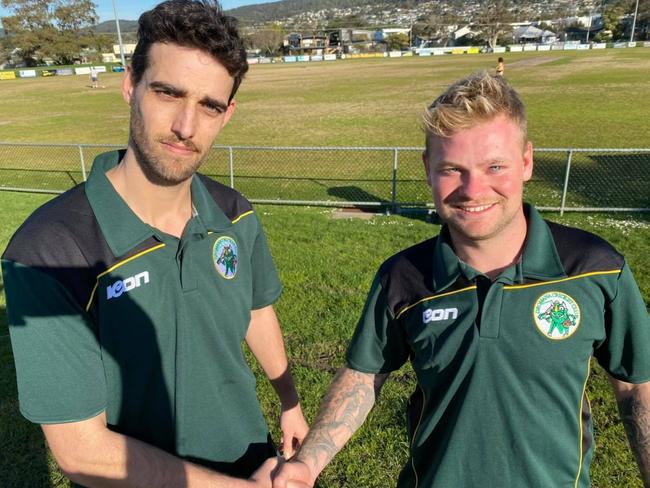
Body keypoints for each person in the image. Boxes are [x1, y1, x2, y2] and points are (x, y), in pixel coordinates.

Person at [273, 72, 650, 487]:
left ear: (526, 162)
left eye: (494, 166)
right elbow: (365, 375)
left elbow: (636, 387)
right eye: (452, 169)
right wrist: (309, 463)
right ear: (427, 169)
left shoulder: (596, 269)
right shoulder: (402, 278)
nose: (473, 189)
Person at [2, 1, 308, 487]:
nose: (187, 127)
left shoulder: (235, 212)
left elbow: (254, 309)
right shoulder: (50, 250)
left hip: (252, 456)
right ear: (130, 85)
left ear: (227, 114)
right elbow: (82, 451)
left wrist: (290, 403)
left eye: (209, 105)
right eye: (168, 93)